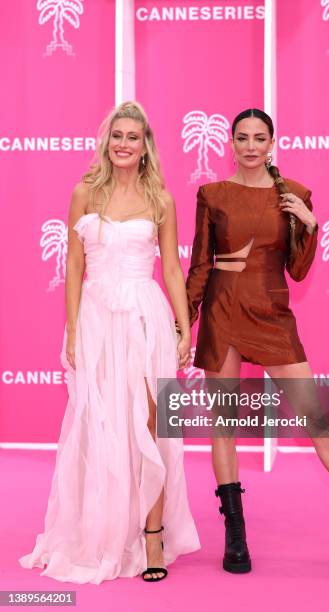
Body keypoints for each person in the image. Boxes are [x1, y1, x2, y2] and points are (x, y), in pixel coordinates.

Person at [184, 108, 329, 573]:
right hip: (222, 314)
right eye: (242, 137)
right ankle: (236, 537)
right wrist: (186, 323)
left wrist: (309, 222)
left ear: (271, 143)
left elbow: (298, 271)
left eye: (258, 138)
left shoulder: (296, 195)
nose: (250, 146)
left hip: (272, 315)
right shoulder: (211, 194)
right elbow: (201, 265)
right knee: (224, 427)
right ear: (231, 143)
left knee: (317, 422)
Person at [19, 101, 200, 584]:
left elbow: (172, 269)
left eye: (132, 137)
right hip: (97, 319)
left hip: (146, 318)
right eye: (116, 135)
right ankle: (103, 529)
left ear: (146, 147)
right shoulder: (84, 194)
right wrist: (74, 328)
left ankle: (154, 535)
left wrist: (184, 328)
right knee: (100, 424)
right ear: (107, 143)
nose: (123, 144)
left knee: (150, 423)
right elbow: (73, 266)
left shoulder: (161, 199)